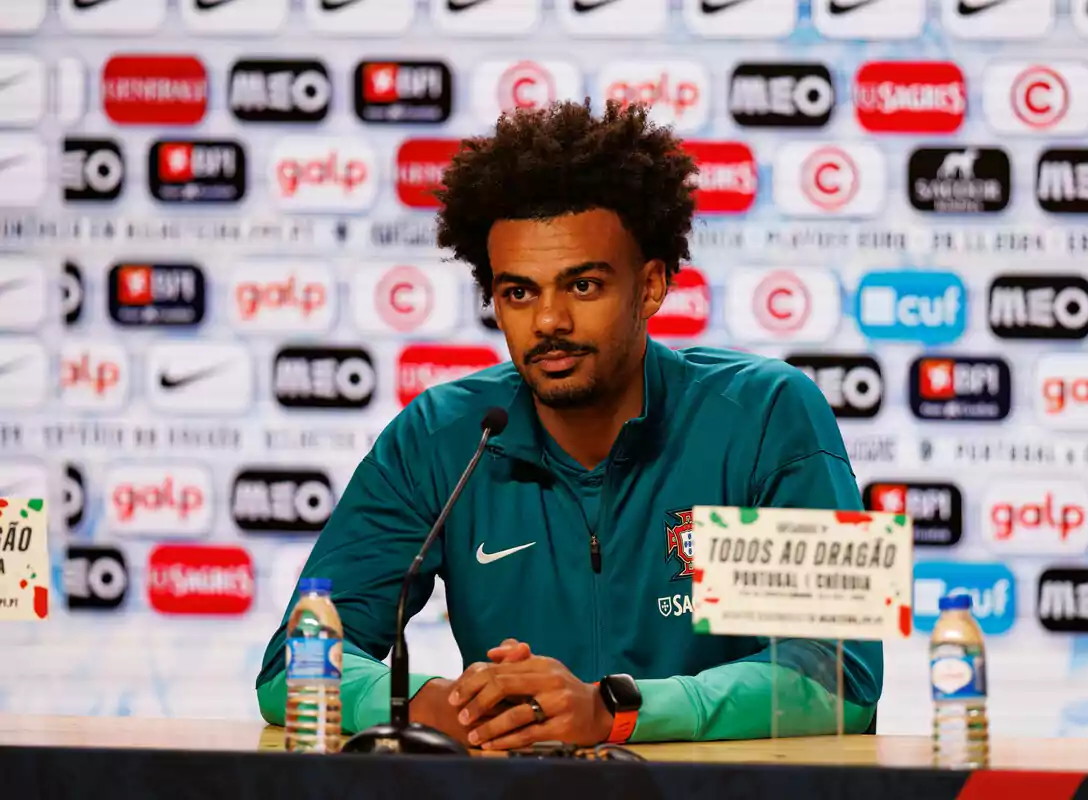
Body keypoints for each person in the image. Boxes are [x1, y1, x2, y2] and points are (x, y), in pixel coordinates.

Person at [256, 99, 883, 750]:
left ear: (651, 287)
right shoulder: (444, 437)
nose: (548, 320)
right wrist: (423, 704)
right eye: (519, 292)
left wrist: (614, 709)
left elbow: (840, 678)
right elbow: (289, 669)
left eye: (582, 286)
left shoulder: (762, 416)